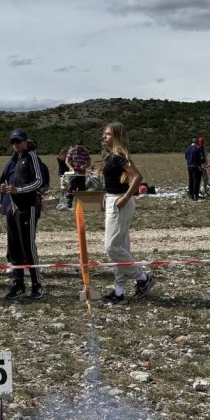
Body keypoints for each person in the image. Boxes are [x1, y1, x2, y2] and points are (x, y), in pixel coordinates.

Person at [99, 122, 154, 304]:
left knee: (112, 247)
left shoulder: (119, 157)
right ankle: (119, 292)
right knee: (121, 248)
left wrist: (124, 198)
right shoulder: (111, 157)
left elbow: (137, 177)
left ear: (116, 136)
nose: (104, 137)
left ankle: (143, 279)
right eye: (104, 134)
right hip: (112, 200)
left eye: (108, 134)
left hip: (119, 202)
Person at [0, 128, 44, 300]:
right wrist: (4, 189)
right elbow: (7, 180)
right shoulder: (13, 160)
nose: (16, 144)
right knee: (14, 246)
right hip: (12, 208)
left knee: (28, 247)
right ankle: (18, 284)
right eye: (13, 142)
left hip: (27, 207)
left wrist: (20, 190)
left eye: (18, 141)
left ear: (25, 142)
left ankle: (37, 285)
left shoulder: (31, 157)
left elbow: (39, 182)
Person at [65, 140, 91, 208]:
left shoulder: (85, 152)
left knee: (82, 188)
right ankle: (68, 203)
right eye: (78, 147)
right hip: (73, 173)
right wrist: (71, 167)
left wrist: (85, 166)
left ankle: (80, 204)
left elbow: (89, 162)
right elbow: (67, 161)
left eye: (81, 147)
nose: (79, 149)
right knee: (71, 188)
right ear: (75, 146)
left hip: (81, 173)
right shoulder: (71, 151)